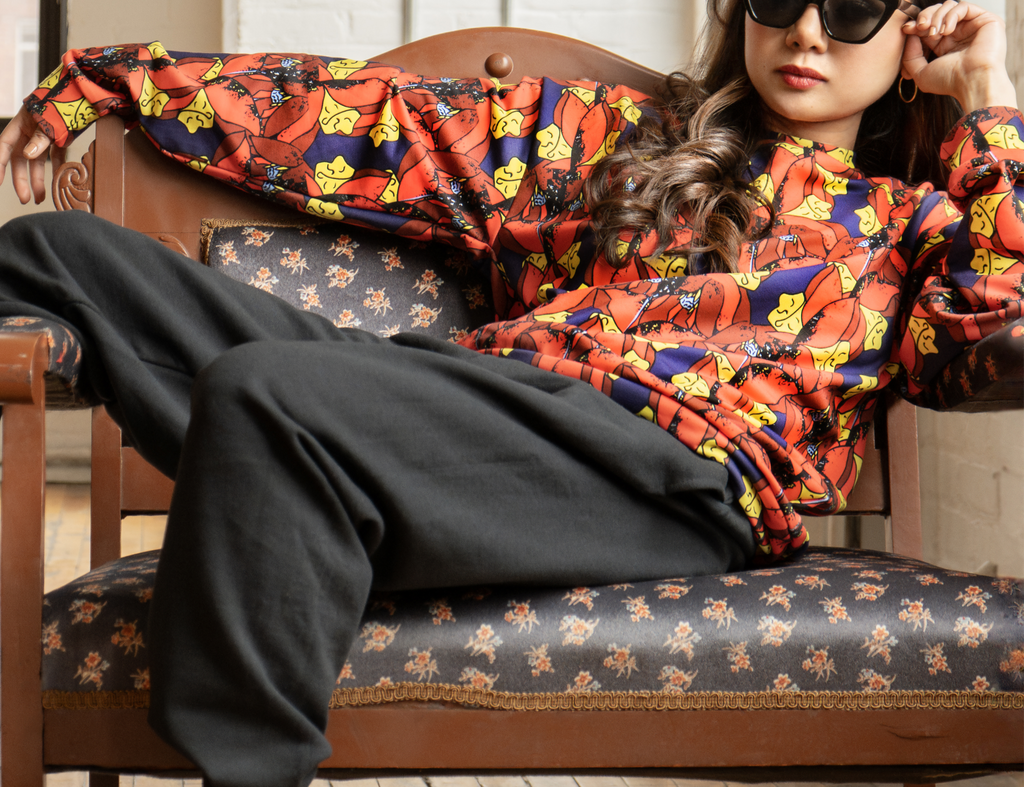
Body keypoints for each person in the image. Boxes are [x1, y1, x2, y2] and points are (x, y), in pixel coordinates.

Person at [0, 0, 1020, 785]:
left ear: (906, 36)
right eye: (776, 0)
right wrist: (111, 76)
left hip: (672, 474)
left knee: (264, 391)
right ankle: (310, 473)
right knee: (56, 250)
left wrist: (982, 91)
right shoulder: (611, 133)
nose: (805, 32)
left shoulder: (912, 220)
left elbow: (989, 332)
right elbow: (371, 124)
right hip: (491, 404)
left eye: (849, 11)